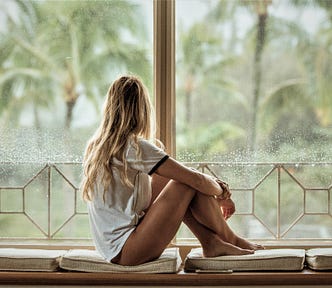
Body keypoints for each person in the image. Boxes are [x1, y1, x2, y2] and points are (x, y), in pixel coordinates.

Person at [81, 74, 263, 266]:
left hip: (112, 248)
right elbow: (196, 181)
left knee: (172, 179)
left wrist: (213, 186)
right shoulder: (133, 146)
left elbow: (191, 178)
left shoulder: (96, 146)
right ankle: (231, 239)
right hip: (127, 251)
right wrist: (223, 193)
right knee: (185, 182)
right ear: (142, 109)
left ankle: (211, 243)